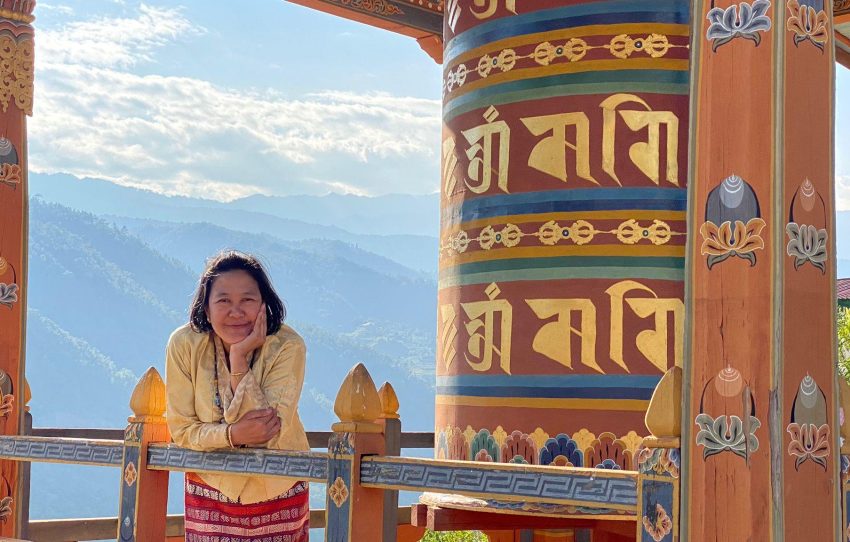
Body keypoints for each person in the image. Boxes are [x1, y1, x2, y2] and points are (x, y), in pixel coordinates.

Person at [165, 250, 310, 541]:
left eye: (247, 300)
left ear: (264, 304)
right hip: (210, 487)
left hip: (276, 485)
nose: (236, 311)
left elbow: (266, 430)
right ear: (206, 309)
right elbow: (181, 430)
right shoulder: (184, 345)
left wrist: (239, 357)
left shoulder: (287, 346)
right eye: (223, 301)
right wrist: (232, 435)